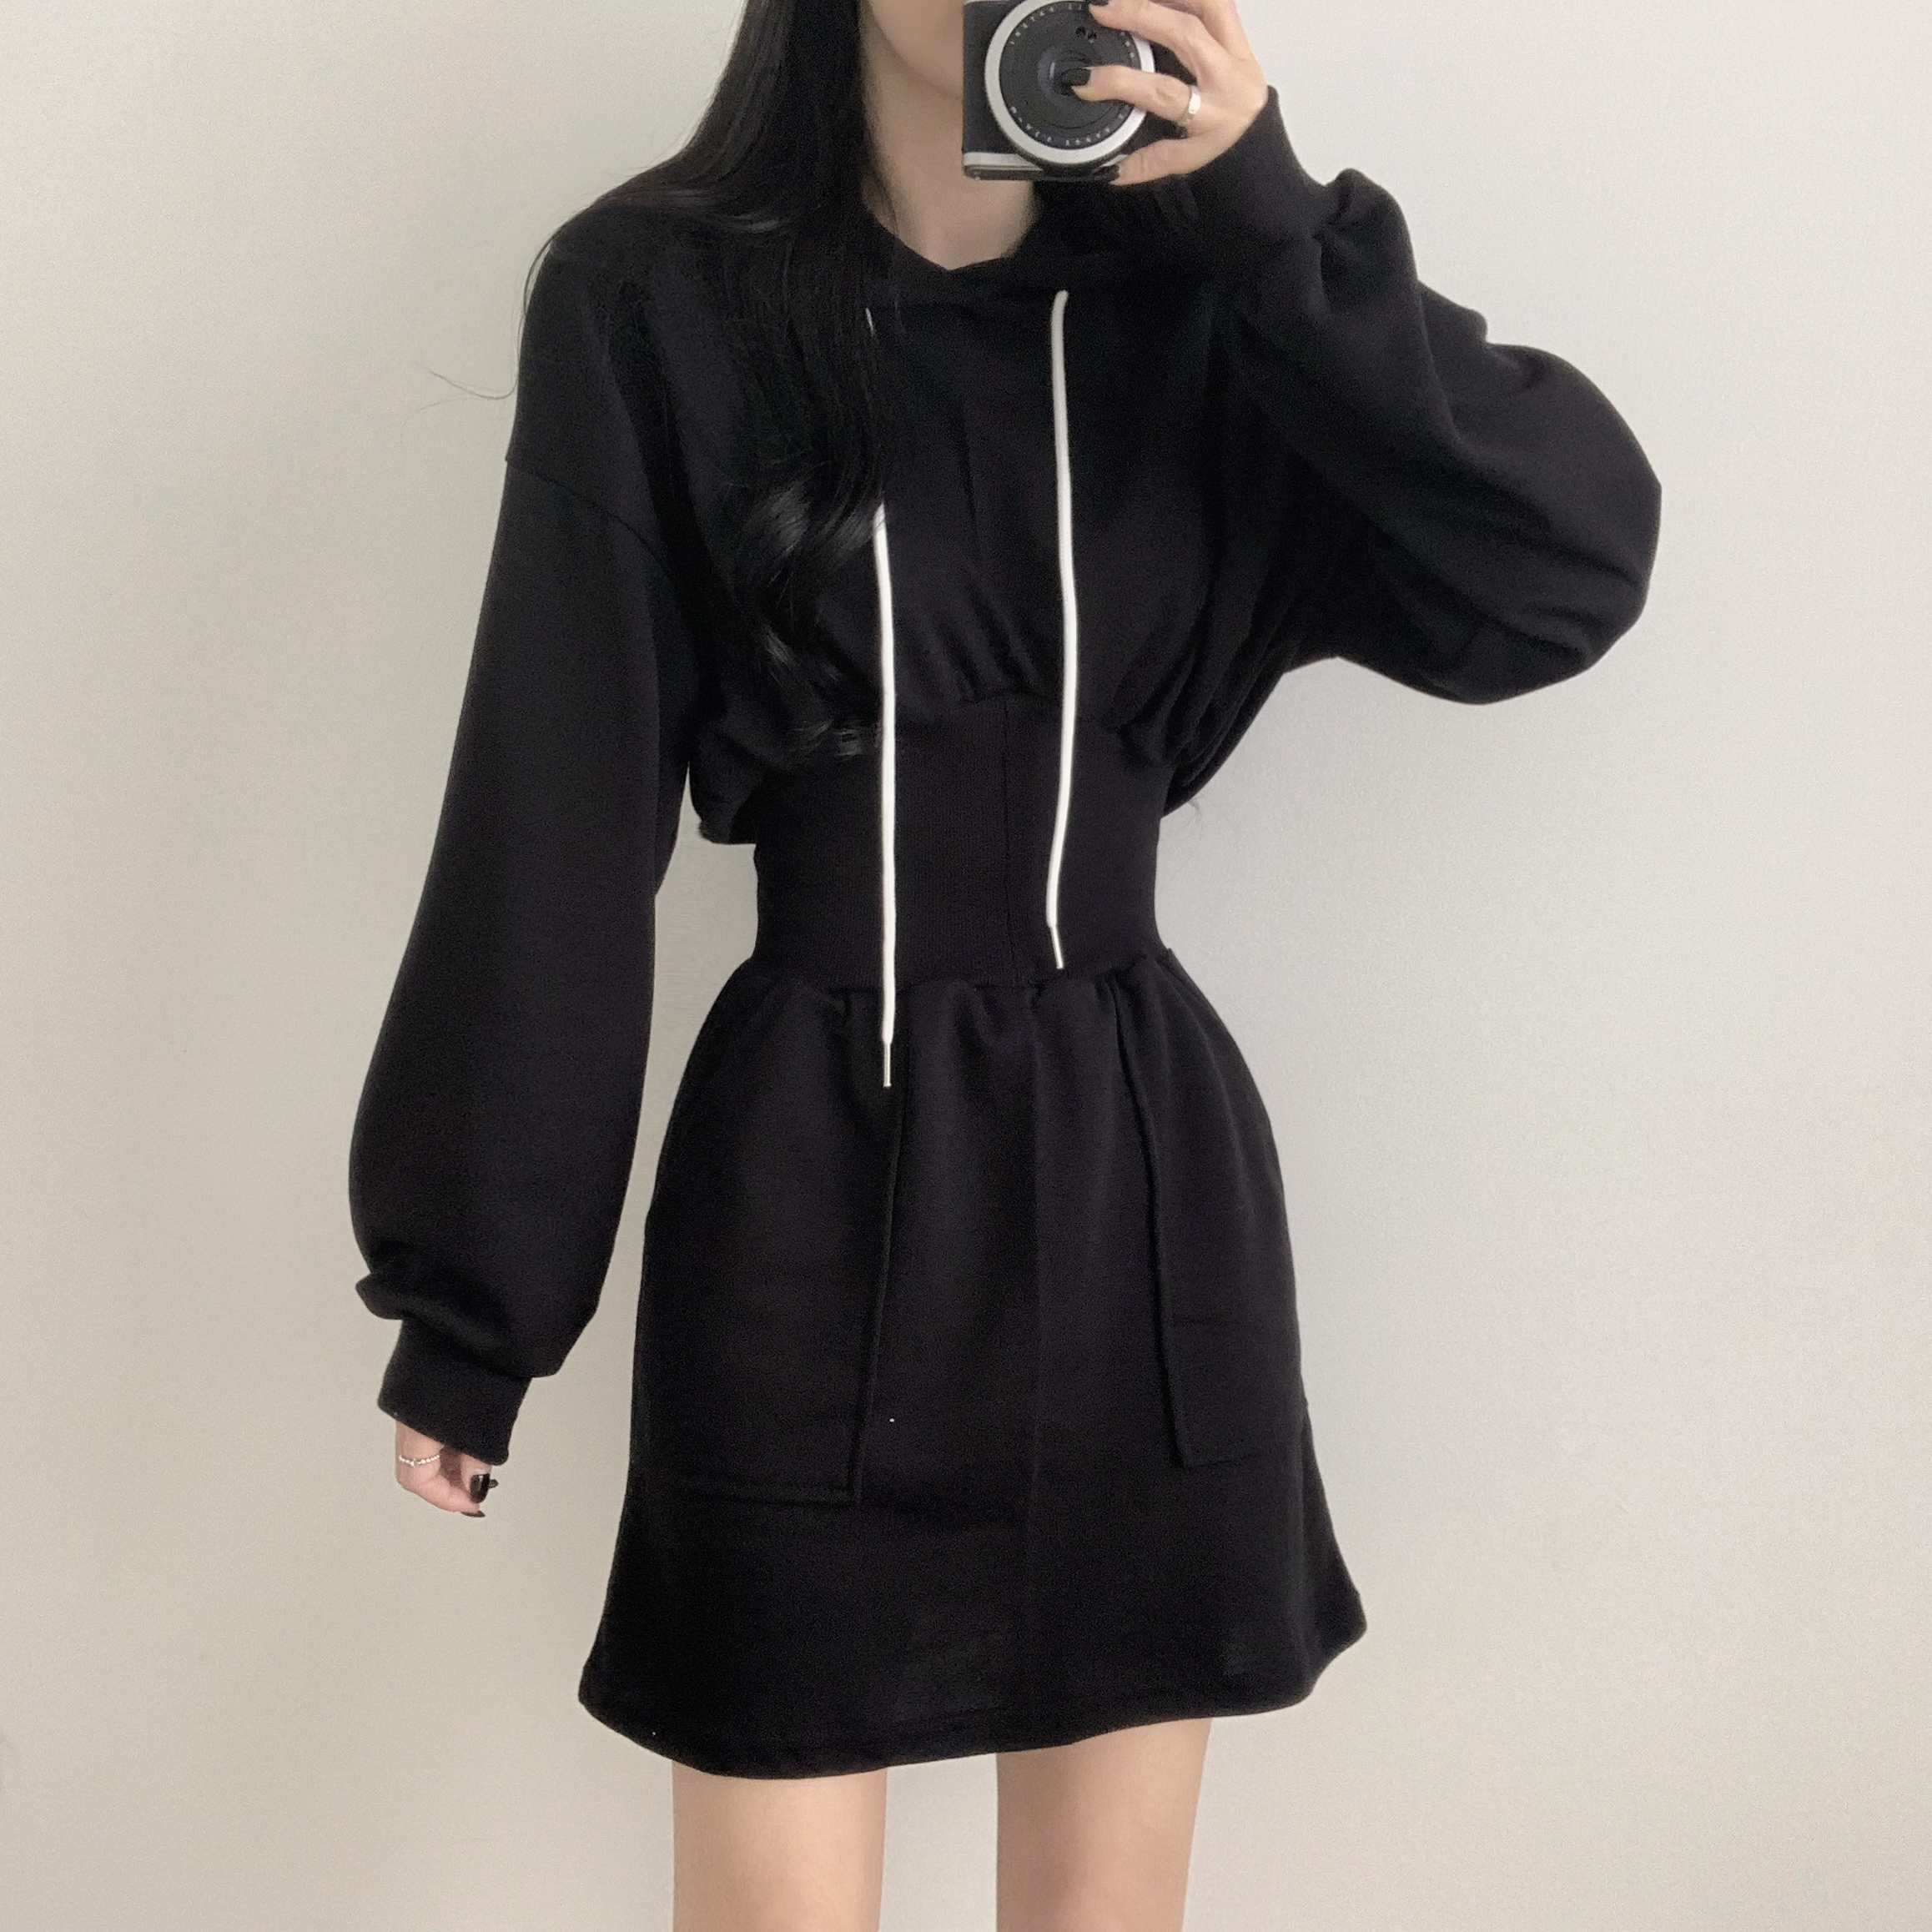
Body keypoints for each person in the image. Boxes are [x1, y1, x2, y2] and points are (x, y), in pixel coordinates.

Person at [347, 0, 1663, 1924]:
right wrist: (476, 1304)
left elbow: (1567, 567)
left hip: (1142, 1202)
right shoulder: (656, 299)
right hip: (802, 1204)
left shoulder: (1212, 306)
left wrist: (1276, 228)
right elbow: (554, 807)